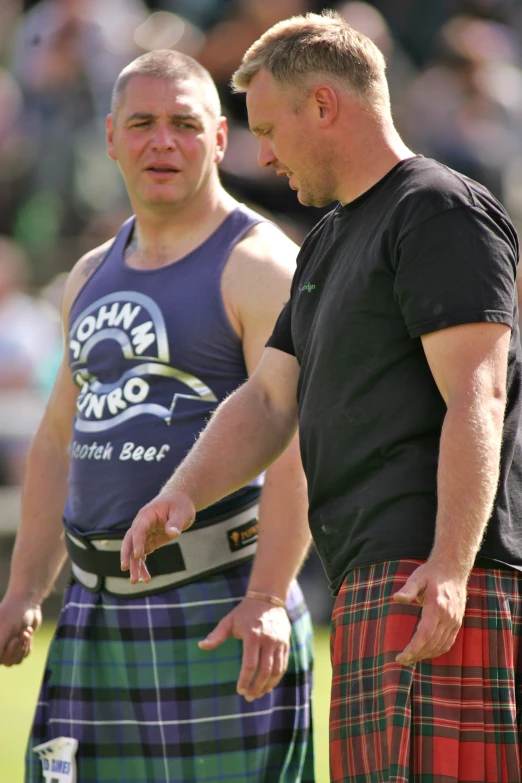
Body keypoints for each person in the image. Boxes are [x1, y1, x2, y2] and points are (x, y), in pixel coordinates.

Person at [122, 11, 522, 783]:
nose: (262, 155)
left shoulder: (437, 210)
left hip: (432, 575)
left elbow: (480, 388)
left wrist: (448, 564)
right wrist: (182, 492)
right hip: (372, 576)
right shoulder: (330, 242)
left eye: (268, 128)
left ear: (325, 106)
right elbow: (270, 399)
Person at [0, 50, 315, 783]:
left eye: (183, 124)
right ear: (111, 137)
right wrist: (25, 586)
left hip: (220, 607)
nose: (161, 142)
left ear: (217, 140)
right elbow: (56, 442)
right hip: (94, 610)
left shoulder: (261, 264)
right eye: (142, 124)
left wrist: (267, 596)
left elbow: (297, 436)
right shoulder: (88, 274)